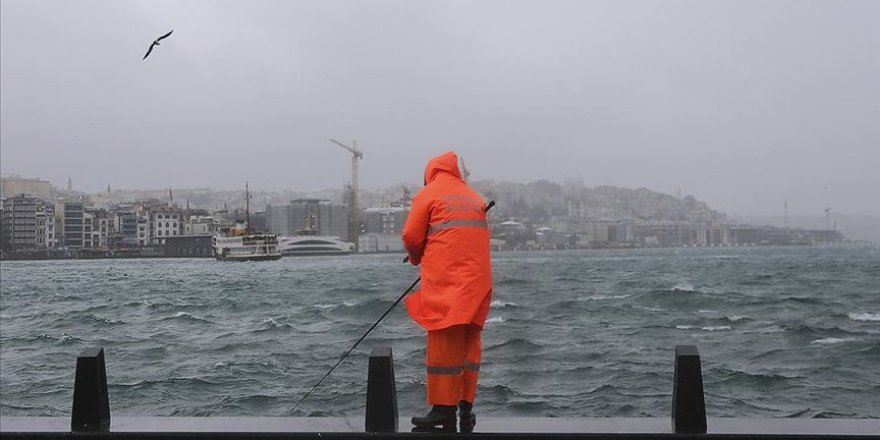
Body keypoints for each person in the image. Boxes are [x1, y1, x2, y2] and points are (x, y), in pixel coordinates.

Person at [402, 150, 493, 432]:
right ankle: (466, 410)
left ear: (430, 173)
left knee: (443, 345)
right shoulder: (474, 197)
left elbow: (411, 236)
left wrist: (417, 257)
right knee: (468, 345)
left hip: (447, 285)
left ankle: (443, 410)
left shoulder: (429, 194)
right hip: (477, 284)